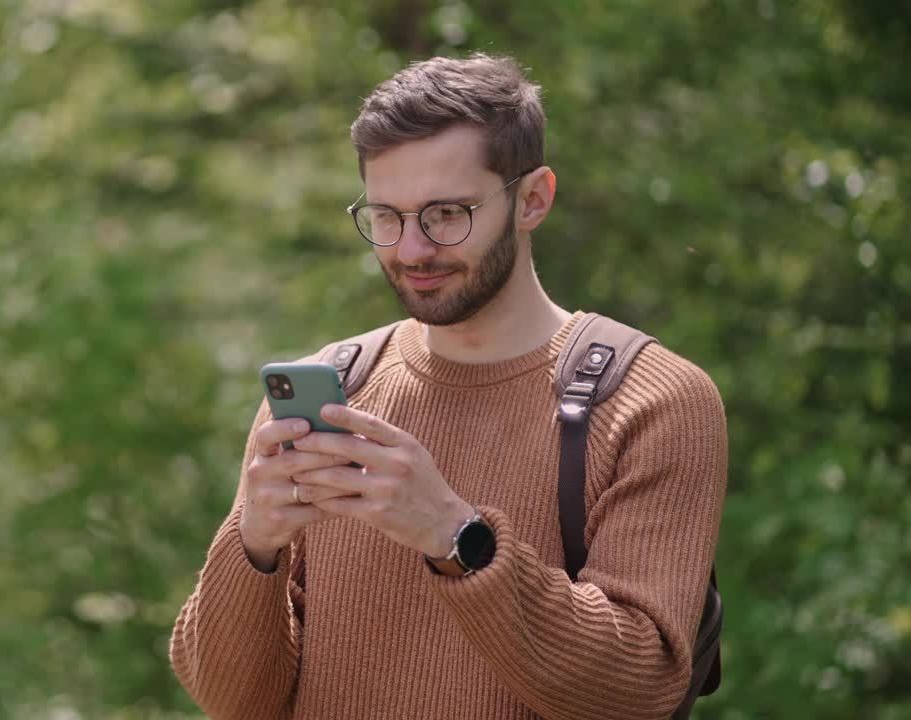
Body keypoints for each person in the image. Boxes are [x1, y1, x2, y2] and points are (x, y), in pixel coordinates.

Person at [169, 52, 727, 720]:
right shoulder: (340, 391)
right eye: (386, 216)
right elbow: (237, 701)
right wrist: (252, 544)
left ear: (533, 199)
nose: (410, 250)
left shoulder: (651, 400)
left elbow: (637, 689)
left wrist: (455, 536)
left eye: (446, 214)